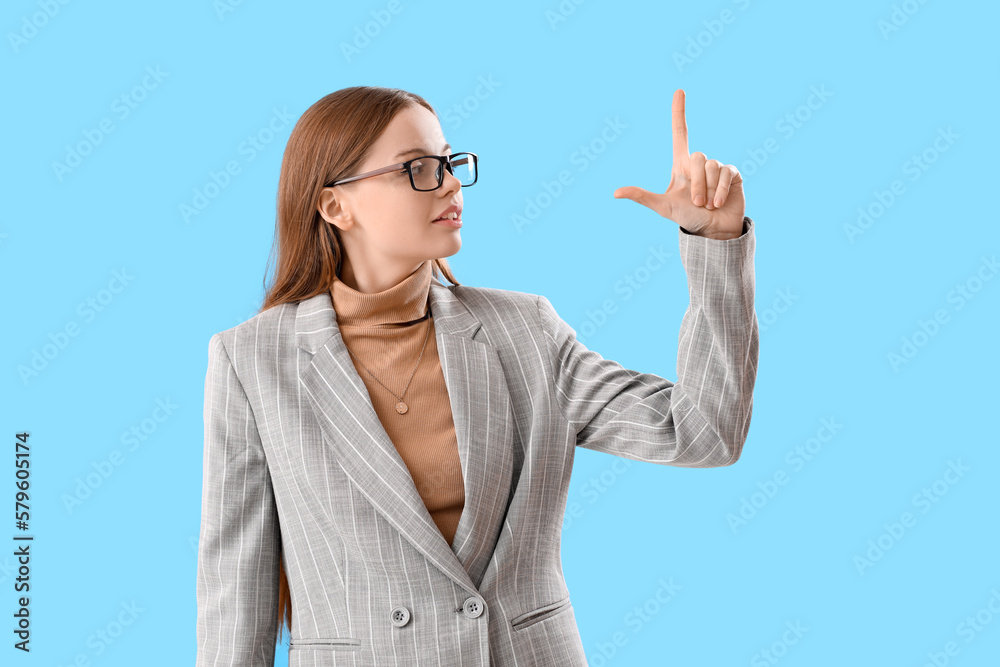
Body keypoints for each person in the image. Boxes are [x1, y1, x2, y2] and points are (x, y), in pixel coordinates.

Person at [195, 85, 758, 666]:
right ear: (336, 206)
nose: (449, 183)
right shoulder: (253, 360)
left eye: (448, 162)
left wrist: (715, 244)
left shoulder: (525, 331)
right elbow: (236, 593)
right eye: (417, 168)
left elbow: (702, 433)